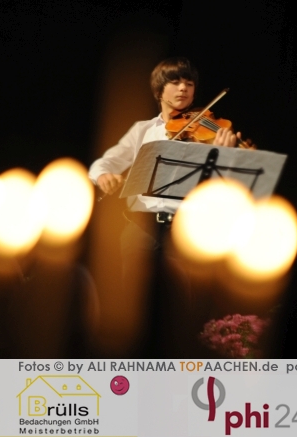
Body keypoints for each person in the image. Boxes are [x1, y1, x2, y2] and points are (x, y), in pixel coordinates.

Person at [87, 57, 242, 356]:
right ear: (159, 90)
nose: (183, 88)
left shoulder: (208, 131)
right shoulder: (143, 130)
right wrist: (104, 175)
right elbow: (104, 163)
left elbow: (224, 191)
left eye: (189, 83)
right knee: (131, 300)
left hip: (186, 230)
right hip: (140, 227)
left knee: (182, 305)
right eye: (175, 82)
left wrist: (227, 157)